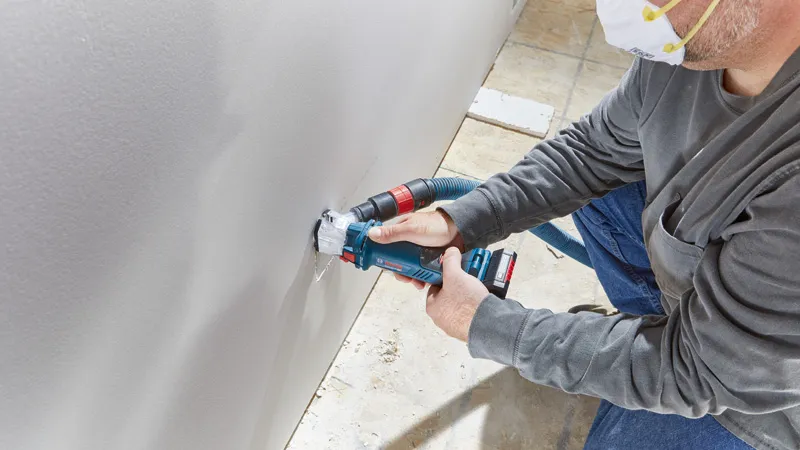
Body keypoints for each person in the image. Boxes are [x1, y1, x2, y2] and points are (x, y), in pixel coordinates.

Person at [368, 1, 800, 448]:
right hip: (730, 313)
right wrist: (464, 219)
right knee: (608, 192)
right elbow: (592, 150)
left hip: (761, 398)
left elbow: (697, 370)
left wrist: (488, 324)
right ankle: (652, 338)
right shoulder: (692, 45)